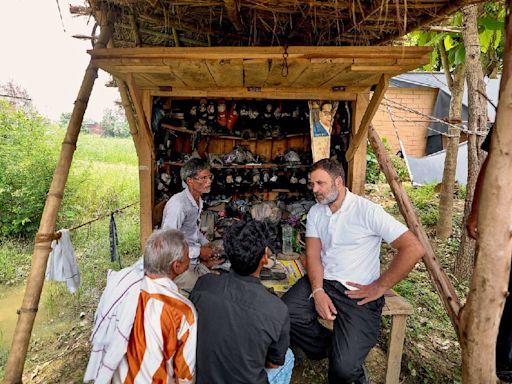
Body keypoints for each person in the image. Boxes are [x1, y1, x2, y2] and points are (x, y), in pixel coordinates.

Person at [282, 158, 424, 384]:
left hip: (357, 290)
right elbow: (313, 255)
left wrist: (380, 286)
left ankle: (345, 359)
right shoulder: (317, 212)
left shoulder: (367, 211)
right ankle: (331, 348)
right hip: (325, 281)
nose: (314, 189)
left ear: (338, 181)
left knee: (344, 371)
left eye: (320, 183)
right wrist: (318, 291)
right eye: (312, 183)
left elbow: (413, 248)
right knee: (286, 312)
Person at [84, 229, 197, 384]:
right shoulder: (182, 311)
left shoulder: (122, 288)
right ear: (176, 267)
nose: (190, 260)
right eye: (187, 257)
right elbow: (185, 376)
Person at [189, 220, 294, 384]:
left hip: (205, 377)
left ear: (228, 256)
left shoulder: (204, 284)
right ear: (265, 258)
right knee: (288, 357)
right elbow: (273, 363)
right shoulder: (277, 310)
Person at [466, 127, 512, 381]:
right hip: (505, 218)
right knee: (502, 289)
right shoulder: (507, 119)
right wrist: (476, 211)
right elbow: (489, 164)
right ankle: (500, 359)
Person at [161, 157, 221, 293]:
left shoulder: (197, 200)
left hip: (191, 262)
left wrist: (205, 243)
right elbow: (168, 243)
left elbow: (192, 229)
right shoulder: (178, 205)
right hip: (178, 267)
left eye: (209, 177)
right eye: (203, 178)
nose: (209, 181)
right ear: (190, 181)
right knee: (209, 291)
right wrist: (199, 251)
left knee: (219, 278)